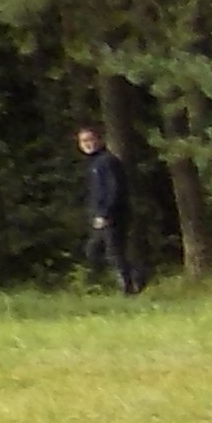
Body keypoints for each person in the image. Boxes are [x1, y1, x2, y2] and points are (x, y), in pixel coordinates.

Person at [77, 124, 142, 295]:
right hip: (100, 216)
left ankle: (129, 287)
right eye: (83, 141)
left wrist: (105, 213)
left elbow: (115, 189)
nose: (87, 144)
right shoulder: (94, 163)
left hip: (113, 216)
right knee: (94, 251)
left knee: (114, 252)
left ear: (100, 140)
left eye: (90, 139)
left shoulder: (107, 161)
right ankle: (135, 276)